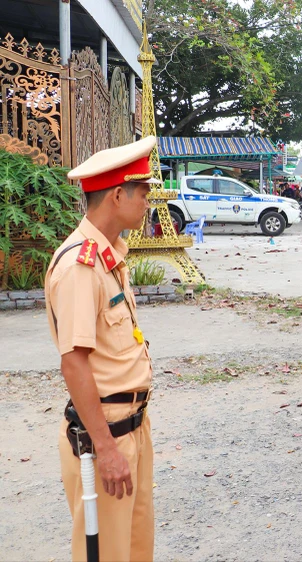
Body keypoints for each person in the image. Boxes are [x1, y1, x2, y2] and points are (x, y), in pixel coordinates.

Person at [45, 136, 160, 560]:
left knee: (134, 547)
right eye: (143, 192)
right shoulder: (80, 266)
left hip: (132, 424)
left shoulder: (110, 256)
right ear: (116, 195)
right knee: (107, 553)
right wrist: (107, 449)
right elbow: (73, 363)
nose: (148, 201)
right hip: (105, 436)